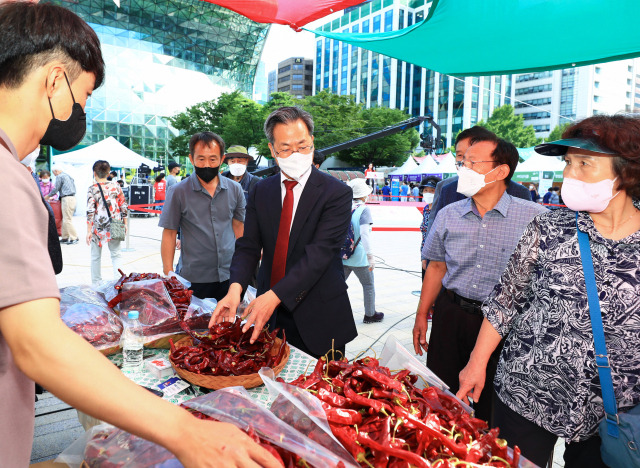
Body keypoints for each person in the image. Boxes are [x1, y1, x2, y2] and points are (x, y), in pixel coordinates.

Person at [0, 4, 278, 468]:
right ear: (53, 82)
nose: (80, 111)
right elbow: (38, 344)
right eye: (84, 96)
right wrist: (184, 430)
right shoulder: (7, 178)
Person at [456, 115, 640, 467]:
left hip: (615, 408)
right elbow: (505, 300)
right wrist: (476, 364)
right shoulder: (549, 227)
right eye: (568, 163)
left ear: (626, 171)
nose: (570, 174)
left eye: (584, 163)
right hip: (528, 388)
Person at [413, 136, 546, 424]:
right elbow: (436, 266)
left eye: (473, 163)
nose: (464, 168)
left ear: (500, 171)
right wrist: (422, 314)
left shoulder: (536, 218)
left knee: (493, 409)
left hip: (506, 328)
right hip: (452, 316)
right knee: (442, 396)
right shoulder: (449, 215)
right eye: (462, 163)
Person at [211, 106, 357, 359]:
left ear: (312, 141)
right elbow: (248, 245)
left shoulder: (336, 193)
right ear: (272, 150)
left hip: (319, 314)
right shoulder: (261, 190)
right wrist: (235, 289)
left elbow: (319, 255)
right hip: (269, 316)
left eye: (302, 146)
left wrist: (274, 296)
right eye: (286, 149)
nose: (296, 154)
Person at [421, 127, 533, 269]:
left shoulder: (519, 193)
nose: (465, 162)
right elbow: (435, 223)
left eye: (473, 157)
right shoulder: (446, 188)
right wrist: (427, 255)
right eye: (460, 155)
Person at [159, 132, 246, 301]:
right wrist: (169, 273)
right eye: (201, 159)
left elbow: (239, 228)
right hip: (193, 279)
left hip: (230, 276)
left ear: (222, 159)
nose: (207, 165)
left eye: (213, 159)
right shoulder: (178, 192)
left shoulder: (235, 189)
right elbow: (169, 233)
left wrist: (243, 266)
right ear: (191, 159)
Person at [343, 178, 384, 324]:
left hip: (344, 255)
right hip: (359, 257)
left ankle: (330, 312)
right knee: (368, 285)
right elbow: (364, 234)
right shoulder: (364, 209)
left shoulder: (344, 207)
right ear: (363, 195)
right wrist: (370, 256)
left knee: (338, 286)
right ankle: (370, 315)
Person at [86, 160, 128, 284]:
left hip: (98, 225)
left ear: (94, 173)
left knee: (95, 256)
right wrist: (125, 224)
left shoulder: (92, 189)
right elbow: (123, 205)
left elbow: (90, 210)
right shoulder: (116, 186)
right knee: (116, 254)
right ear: (108, 172)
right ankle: (119, 281)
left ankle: (96, 282)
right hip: (116, 222)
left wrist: (88, 231)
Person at [45, 164, 78, 244]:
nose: (54, 174)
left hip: (67, 198)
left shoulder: (60, 176)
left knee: (67, 219)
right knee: (65, 219)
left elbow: (56, 188)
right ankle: (65, 237)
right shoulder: (68, 176)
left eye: (54, 172)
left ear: (56, 171)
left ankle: (74, 237)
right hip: (72, 198)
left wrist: (48, 196)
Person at [419, 176, 440, 281]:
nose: (428, 193)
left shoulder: (440, 210)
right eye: (426, 190)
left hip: (435, 256)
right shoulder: (426, 208)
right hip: (424, 253)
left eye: (432, 190)